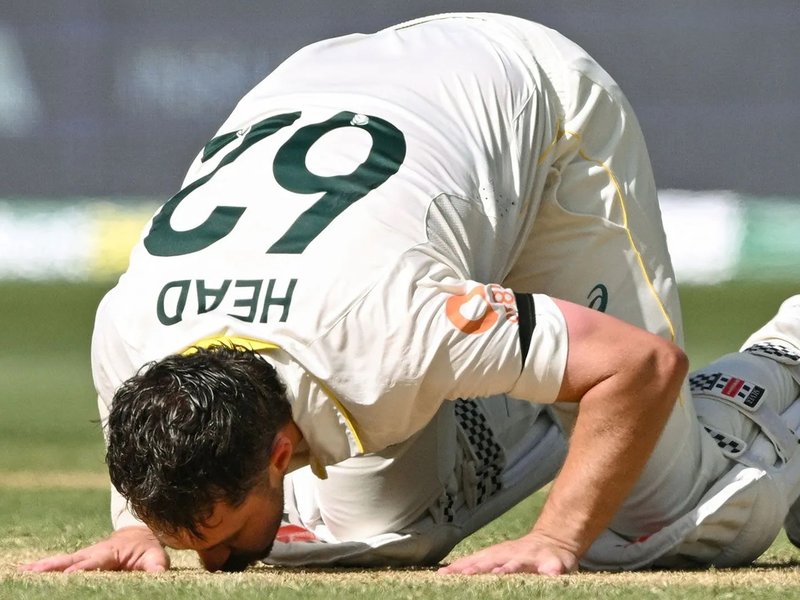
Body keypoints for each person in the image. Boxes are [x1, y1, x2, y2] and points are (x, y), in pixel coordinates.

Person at [18, 12, 800, 575]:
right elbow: (152, 461)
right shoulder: (129, 333)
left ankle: (787, 352)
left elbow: (642, 364)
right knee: (369, 535)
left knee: (649, 523)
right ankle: (548, 387)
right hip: (332, 83)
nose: (213, 564)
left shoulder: (389, 326)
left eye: (216, 536)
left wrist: (555, 541)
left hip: (531, 103)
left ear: (279, 450)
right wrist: (138, 527)